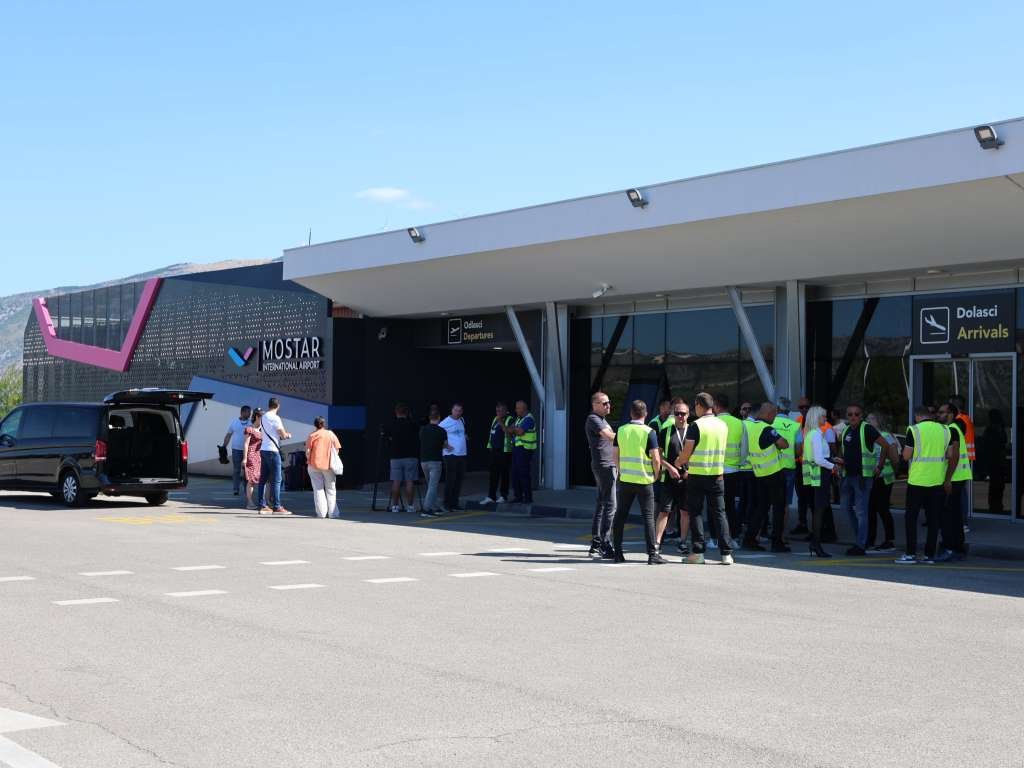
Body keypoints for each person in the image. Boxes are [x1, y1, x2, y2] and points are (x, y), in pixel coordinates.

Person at [676, 392, 734, 565]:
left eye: (695, 406)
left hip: (698, 475)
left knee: (696, 513)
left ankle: (698, 552)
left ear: (699, 405)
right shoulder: (722, 425)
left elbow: (687, 452)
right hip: (717, 475)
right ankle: (726, 554)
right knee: (720, 513)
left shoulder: (696, 425)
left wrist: (679, 461)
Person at [896, 405, 958, 564]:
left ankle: (910, 554)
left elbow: (906, 455)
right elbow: (949, 454)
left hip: (917, 481)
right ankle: (929, 555)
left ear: (917, 417)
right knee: (934, 519)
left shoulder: (914, 430)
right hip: (937, 480)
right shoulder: (946, 430)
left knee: (911, 518)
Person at [611, 400, 664, 564]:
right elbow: (656, 458)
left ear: (631, 413)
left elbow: (615, 455)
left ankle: (618, 553)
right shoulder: (649, 432)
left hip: (626, 479)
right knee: (648, 517)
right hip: (644, 480)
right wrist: (656, 474)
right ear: (645, 414)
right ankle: (652, 555)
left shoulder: (621, 430)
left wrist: (620, 471)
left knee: (620, 515)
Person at [836, 404, 892, 556]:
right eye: (850, 414)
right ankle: (861, 539)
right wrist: (840, 463)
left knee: (861, 512)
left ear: (861, 416)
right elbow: (842, 450)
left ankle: (861, 544)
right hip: (848, 475)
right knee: (845, 508)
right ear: (847, 416)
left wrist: (879, 466)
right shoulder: (846, 430)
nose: (853, 417)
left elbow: (885, 445)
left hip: (863, 477)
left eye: (856, 414)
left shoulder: (867, 429)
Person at [746, 402, 791, 552]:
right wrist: (781, 442)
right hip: (774, 473)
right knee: (778, 509)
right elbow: (784, 444)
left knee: (761, 507)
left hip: (759, 473)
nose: (774, 418)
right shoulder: (767, 429)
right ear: (769, 414)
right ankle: (777, 542)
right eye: (774, 415)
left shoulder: (751, 427)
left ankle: (749, 539)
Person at [801, 405, 837, 557]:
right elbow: (819, 459)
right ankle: (816, 543)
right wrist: (833, 465)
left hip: (817, 476)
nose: (826, 418)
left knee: (819, 509)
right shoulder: (816, 435)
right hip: (821, 475)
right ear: (816, 418)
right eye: (823, 416)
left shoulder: (811, 434)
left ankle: (815, 543)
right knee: (819, 510)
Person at [936, 402, 970, 561]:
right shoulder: (954, 428)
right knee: (955, 514)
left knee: (948, 515)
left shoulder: (951, 430)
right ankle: (957, 547)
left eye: (941, 412)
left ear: (950, 414)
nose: (938, 415)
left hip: (954, 478)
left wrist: (947, 479)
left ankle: (949, 548)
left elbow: (954, 456)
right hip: (958, 476)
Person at [716, 393, 751, 550]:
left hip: (715, 470)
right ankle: (734, 536)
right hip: (734, 470)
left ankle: (715, 538)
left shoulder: (714, 422)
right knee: (730, 505)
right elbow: (745, 449)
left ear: (716, 406)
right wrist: (739, 463)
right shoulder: (739, 423)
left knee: (716, 506)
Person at [655, 399, 690, 556]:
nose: (680, 416)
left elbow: (698, 455)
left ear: (688, 414)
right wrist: (669, 468)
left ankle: (683, 542)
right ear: (673, 414)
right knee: (664, 511)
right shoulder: (665, 431)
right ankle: (657, 543)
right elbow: (657, 456)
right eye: (677, 413)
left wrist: (690, 471)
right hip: (668, 478)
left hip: (687, 478)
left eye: (683, 413)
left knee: (685, 511)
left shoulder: (693, 431)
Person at [585, 391, 617, 559]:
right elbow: (610, 436)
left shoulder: (602, 419)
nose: (608, 405)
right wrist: (630, 436)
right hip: (604, 465)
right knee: (611, 505)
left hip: (606, 465)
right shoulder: (594, 419)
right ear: (595, 405)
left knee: (602, 504)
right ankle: (605, 543)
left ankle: (596, 544)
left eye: (609, 402)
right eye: (604, 403)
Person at [865, 412, 898, 552]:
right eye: (867, 419)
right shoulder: (868, 435)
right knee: (870, 509)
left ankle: (889, 540)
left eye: (871, 419)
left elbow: (895, 459)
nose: (868, 421)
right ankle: (870, 539)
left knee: (882, 509)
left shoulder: (886, 436)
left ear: (878, 421)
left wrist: (893, 472)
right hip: (871, 476)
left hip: (884, 477)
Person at [258, 397, 292, 515]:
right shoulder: (275, 418)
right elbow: (282, 435)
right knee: (277, 479)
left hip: (263, 449)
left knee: (263, 479)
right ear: (278, 406)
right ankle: (277, 506)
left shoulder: (263, 417)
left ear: (269, 405)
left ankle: (262, 505)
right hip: (273, 451)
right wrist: (288, 435)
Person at [386, 403, 420, 514]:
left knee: (396, 481)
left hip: (395, 456)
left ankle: (395, 506)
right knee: (410, 481)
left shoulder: (391, 424)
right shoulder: (413, 424)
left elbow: (387, 438)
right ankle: (410, 506)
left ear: (396, 413)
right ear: (407, 413)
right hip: (410, 456)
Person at [305, 416, 341, 519]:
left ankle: (321, 513)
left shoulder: (312, 435)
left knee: (318, 489)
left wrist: (309, 459)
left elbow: (308, 452)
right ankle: (333, 513)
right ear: (324, 424)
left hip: (314, 465)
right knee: (331, 489)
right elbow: (337, 449)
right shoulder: (330, 434)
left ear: (315, 425)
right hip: (328, 465)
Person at [772, 398, 800, 525]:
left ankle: (764, 530)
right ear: (789, 411)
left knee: (768, 500)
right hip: (789, 467)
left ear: (777, 409)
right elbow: (799, 450)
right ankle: (781, 532)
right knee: (785, 502)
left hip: (771, 467)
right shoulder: (795, 426)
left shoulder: (770, 423)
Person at [419, 408, 450, 518]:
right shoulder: (441, 431)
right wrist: (449, 447)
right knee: (433, 486)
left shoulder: (423, 430)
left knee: (431, 485)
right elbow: (445, 444)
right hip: (435, 461)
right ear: (439, 418)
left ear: (429, 418)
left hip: (424, 461)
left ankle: (434, 507)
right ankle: (426, 509)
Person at [481, 402, 513, 505]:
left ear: (505, 411)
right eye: (497, 411)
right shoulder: (495, 419)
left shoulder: (510, 419)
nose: (498, 413)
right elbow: (492, 433)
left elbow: (509, 432)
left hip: (505, 451)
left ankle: (504, 496)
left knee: (504, 474)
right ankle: (491, 496)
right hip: (495, 451)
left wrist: (501, 422)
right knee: (493, 474)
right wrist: (490, 446)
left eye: (500, 411)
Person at [977, 409, 1007, 513]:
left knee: (996, 486)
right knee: (997, 485)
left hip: (995, 460)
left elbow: (986, 444)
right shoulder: (997, 429)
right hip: (996, 460)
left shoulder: (993, 429)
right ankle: (996, 506)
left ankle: (995, 506)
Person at [507, 400, 537, 504]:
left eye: (517, 408)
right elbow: (509, 430)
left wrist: (514, 429)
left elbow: (520, 432)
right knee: (515, 473)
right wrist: (515, 429)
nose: (516, 410)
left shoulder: (529, 419)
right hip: (517, 448)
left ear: (523, 409)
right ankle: (518, 496)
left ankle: (528, 498)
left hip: (525, 449)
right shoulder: (519, 419)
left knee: (523, 473)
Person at [440, 403, 468, 511]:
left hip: (461, 454)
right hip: (450, 454)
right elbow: (437, 435)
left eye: (460, 411)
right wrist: (445, 445)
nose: (457, 413)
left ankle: (454, 503)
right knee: (450, 480)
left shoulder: (461, 420)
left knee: (459, 479)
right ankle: (446, 503)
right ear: (452, 410)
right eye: (456, 410)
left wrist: (464, 436)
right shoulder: (445, 422)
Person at [221, 405, 252, 497]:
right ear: (242, 412)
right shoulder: (234, 422)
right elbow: (228, 435)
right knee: (236, 470)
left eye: (250, 412)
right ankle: (236, 489)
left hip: (248, 450)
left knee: (246, 471)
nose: (250, 414)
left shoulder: (251, 422)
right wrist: (224, 446)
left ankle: (246, 489)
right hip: (236, 450)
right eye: (248, 412)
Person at [241, 408, 263, 511]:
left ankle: (264, 502)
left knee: (262, 479)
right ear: (257, 417)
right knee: (251, 480)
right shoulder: (249, 429)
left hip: (260, 456)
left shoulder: (262, 430)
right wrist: (245, 458)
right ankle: (249, 502)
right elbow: (246, 444)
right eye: (262, 418)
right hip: (251, 455)